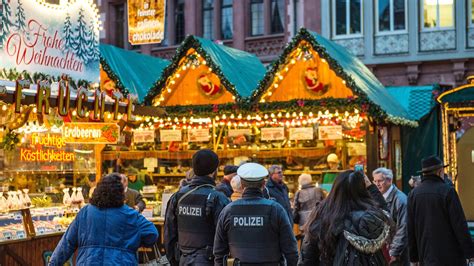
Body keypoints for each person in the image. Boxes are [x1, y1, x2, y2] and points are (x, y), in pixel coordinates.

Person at [49, 173, 158, 265]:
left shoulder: (85, 212)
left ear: (98, 190)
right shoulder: (130, 214)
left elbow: (67, 243)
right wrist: (132, 241)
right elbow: (152, 235)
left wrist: (53, 263)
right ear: (120, 194)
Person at [299, 170, 392, 265]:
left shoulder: (323, 214)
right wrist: (371, 188)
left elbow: (308, 256)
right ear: (363, 190)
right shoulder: (371, 216)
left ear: (335, 189)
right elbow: (385, 214)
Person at [214, 163, 298, 266]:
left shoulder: (228, 211)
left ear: (242, 185)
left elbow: (219, 252)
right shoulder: (276, 209)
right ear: (263, 184)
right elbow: (290, 249)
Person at [164, 149, 231, 266]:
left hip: (183, 259)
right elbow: (225, 238)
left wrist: (173, 261)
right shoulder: (218, 198)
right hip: (209, 260)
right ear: (214, 171)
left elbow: (169, 234)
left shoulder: (178, 196)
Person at [407, 155, 474, 265]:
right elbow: (459, 225)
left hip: (426, 257)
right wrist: (470, 254)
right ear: (440, 171)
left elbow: (411, 229)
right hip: (451, 257)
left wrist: (414, 258)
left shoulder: (413, 194)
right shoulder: (448, 191)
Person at [373, 167, 409, 266]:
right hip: (385, 250)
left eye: (380, 181)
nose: (377, 184)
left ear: (389, 180)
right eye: (375, 181)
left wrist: (393, 252)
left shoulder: (400, 200)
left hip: (397, 254)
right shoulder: (379, 197)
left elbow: (403, 228)